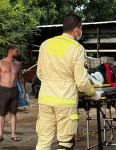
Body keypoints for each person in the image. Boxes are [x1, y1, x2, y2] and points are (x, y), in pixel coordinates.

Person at [36, 14, 101, 150]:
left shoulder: (45, 44)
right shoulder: (77, 49)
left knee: (44, 140)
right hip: (65, 101)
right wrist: (93, 93)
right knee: (65, 141)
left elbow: (40, 74)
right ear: (77, 30)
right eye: (81, 28)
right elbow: (82, 82)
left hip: (45, 99)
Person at [0, 44, 26, 142]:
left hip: (14, 90)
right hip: (3, 90)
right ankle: (1, 135)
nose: (18, 53)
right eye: (17, 51)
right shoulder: (1, 62)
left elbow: (21, 78)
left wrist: (23, 91)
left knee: (13, 113)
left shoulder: (18, 64)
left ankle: (13, 134)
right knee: (1, 114)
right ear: (11, 51)